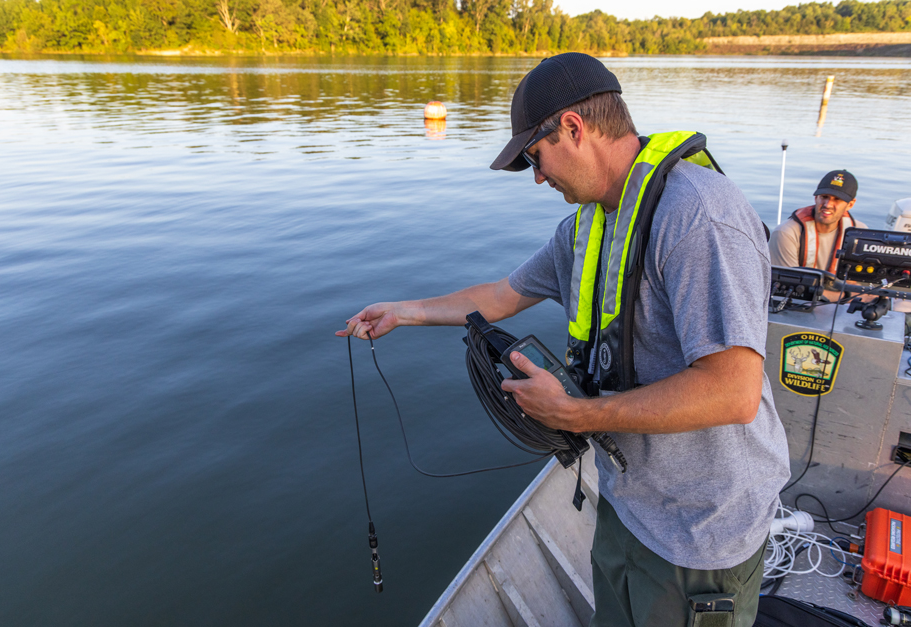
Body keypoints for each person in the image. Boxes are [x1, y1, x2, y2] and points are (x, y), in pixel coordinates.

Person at [337, 53, 789, 627]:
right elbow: (502, 295)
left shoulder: (699, 216)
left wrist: (577, 414)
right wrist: (402, 312)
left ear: (573, 128)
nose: (538, 176)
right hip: (628, 506)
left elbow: (734, 392)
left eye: (535, 156)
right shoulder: (585, 225)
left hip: (702, 534)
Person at [770, 170, 866, 272]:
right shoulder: (786, 233)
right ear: (816, 198)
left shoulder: (861, 233)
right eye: (824, 197)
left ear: (850, 204)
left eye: (837, 199)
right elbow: (786, 282)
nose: (827, 204)